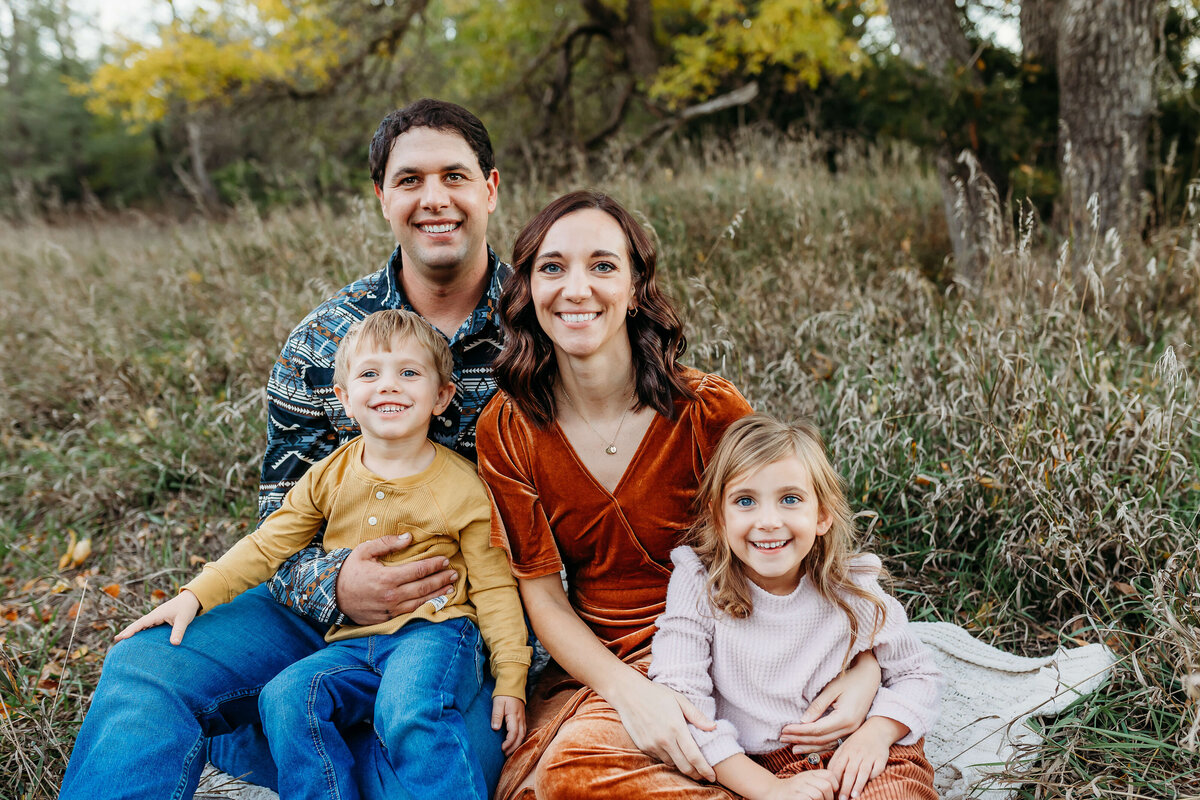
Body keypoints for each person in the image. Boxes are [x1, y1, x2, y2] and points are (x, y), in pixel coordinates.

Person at [61, 99, 513, 799]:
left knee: (417, 753)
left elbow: (582, 526)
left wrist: (517, 660)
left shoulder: (543, 328)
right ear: (382, 198)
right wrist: (336, 588)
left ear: (488, 188)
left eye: (454, 176)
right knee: (145, 668)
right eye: (410, 180)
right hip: (320, 624)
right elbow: (281, 522)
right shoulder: (325, 339)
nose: (434, 199)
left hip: (465, 628)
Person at [476, 190, 884, 800]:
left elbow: (792, 534)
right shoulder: (508, 427)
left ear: (637, 287)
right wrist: (630, 694)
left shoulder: (706, 410)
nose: (576, 288)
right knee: (570, 777)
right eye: (552, 267)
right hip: (608, 659)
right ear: (528, 288)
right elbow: (542, 598)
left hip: (745, 637)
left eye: (603, 266)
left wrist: (865, 665)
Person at [113, 310, 530, 800]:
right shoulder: (328, 476)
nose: (389, 386)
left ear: (441, 397)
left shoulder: (464, 488)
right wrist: (196, 595)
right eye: (370, 374)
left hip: (436, 633)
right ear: (344, 399)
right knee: (287, 697)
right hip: (352, 640)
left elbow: (495, 586)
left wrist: (511, 678)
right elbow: (269, 543)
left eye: (409, 373)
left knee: (409, 708)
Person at [648, 414, 942, 800]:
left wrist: (879, 731)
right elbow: (684, 706)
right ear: (719, 518)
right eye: (745, 501)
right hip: (757, 767)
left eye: (790, 499)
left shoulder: (851, 586)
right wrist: (769, 789)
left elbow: (918, 674)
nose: (769, 521)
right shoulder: (701, 586)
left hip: (863, 748)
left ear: (822, 515)